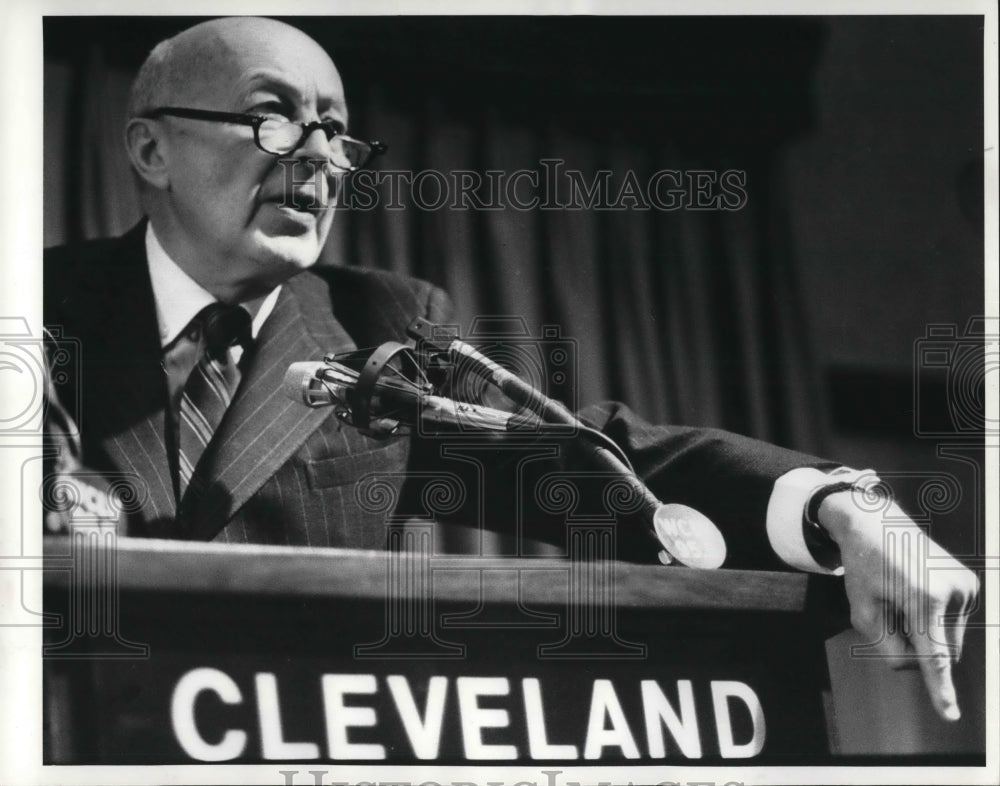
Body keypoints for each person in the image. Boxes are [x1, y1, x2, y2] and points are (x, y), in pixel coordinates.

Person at [43, 16, 978, 725]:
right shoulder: (35, 311)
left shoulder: (386, 330)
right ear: (151, 149)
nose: (323, 160)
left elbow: (597, 465)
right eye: (273, 120)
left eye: (338, 133)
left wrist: (847, 507)